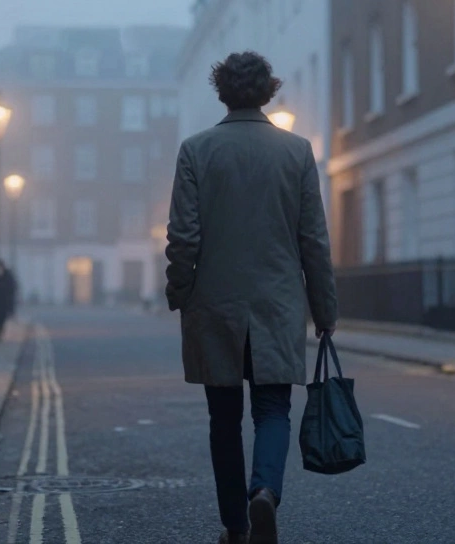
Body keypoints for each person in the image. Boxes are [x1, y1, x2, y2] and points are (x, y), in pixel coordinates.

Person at [165, 51, 338, 544]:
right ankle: (264, 491)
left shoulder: (196, 150)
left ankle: (236, 528)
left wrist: (179, 291)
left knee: (223, 420)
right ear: (268, 91)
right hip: (277, 306)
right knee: (273, 410)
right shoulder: (297, 152)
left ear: (222, 92)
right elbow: (313, 240)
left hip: (214, 306)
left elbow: (183, 237)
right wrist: (324, 310)